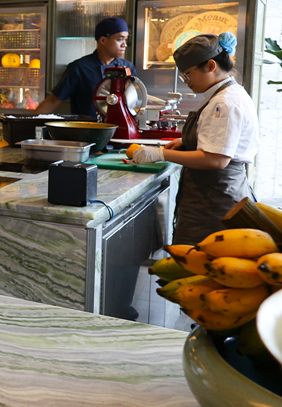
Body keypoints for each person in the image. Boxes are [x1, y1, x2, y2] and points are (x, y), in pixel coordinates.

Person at [129, 32, 256, 244]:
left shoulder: (224, 102)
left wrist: (160, 154)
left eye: (188, 74)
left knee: (201, 266)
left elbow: (216, 159)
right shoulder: (223, 94)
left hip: (216, 202)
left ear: (211, 66)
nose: (186, 81)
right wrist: (186, 142)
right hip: (210, 197)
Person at [34, 17, 136, 119]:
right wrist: (28, 122)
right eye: (119, 40)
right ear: (103, 40)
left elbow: (135, 100)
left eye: (125, 40)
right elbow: (53, 100)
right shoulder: (79, 68)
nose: (125, 45)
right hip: (87, 130)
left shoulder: (127, 67)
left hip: (121, 129)